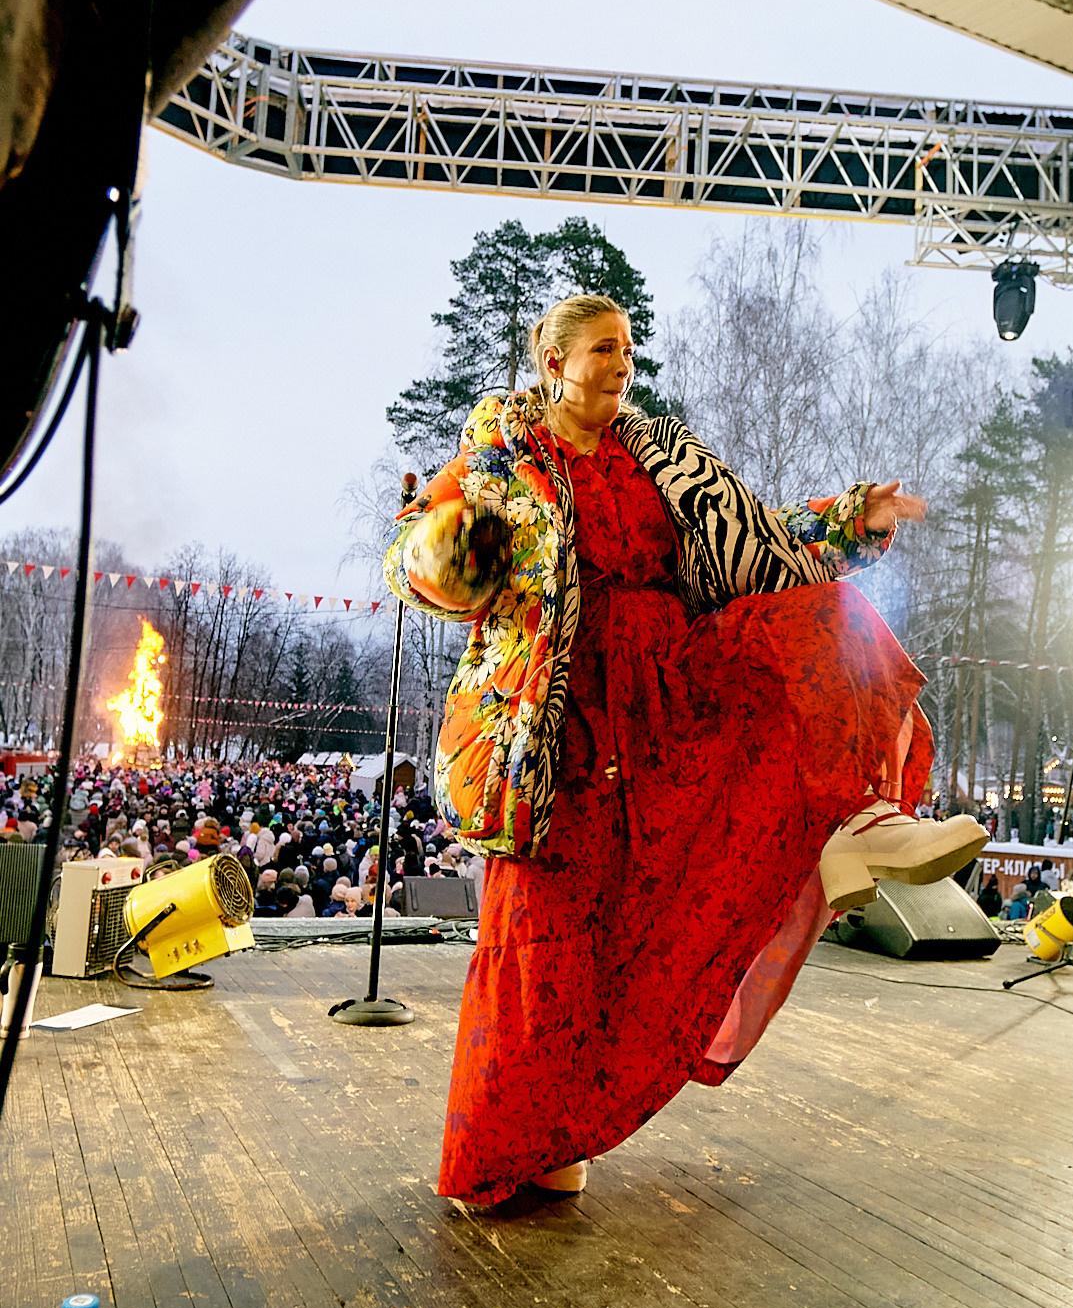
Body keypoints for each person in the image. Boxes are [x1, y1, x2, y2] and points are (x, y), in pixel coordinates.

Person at [385, 292, 987, 1205]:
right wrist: (443, 547)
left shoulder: (663, 455)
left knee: (827, 622)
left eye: (628, 347)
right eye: (602, 348)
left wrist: (847, 515)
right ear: (553, 363)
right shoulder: (503, 461)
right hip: (562, 719)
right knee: (550, 935)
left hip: (672, 687)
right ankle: (520, 1141)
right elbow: (418, 562)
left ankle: (856, 815)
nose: (622, 363)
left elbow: (756, 536)